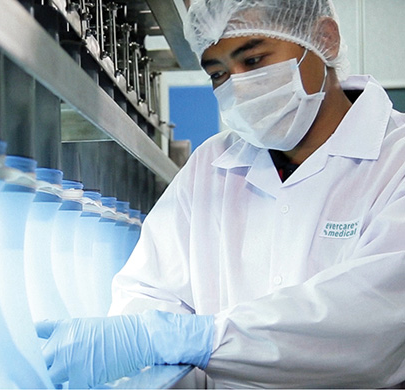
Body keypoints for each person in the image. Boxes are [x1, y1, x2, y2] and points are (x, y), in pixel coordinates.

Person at [36, 0, 405, 387]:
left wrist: (185, 339)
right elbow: (149, 293)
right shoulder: (210, 166)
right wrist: (156, 369)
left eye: (254, 60)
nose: (239, 86)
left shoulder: (395, 161)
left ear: (323, 39)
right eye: (218, 75)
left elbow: (371, 323)